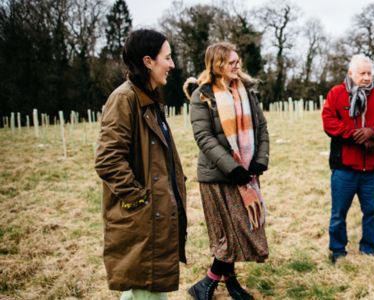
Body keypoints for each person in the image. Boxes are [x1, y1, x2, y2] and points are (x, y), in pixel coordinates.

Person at [95, 29, 187, 300]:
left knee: (145, 290)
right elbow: (108, 158)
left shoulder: (151, 99)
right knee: (144, 289)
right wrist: (138, 200)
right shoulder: (125, 99)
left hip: (155, 219)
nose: (172, 64)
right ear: (148, 61)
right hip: (144, 219)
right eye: (167, 58)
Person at [184, 42, 269, 300]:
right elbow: (204, 138)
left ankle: (228, 283)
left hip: (246, 174)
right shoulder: (202, 96)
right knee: (228, 233)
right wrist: (233, 169)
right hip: (218, 177)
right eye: (231, 62)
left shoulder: (247, 92)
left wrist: (260, 161)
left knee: (239, 231)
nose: (237, 65)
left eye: (238, 60)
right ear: (217, 64)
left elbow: (262, 128)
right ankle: (209, 283)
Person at [321, 54, 374, 263]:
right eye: (362, 73)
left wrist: (372, 132)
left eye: (369, 73)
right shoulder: (336, 94)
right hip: (344, 168)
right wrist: (355, 134)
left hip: (371, 169)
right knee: (339, 213)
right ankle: (337, 251)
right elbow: (329, 122)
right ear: (350, 73)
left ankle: (369, 250)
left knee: (371, 212)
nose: (366, 77)